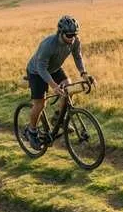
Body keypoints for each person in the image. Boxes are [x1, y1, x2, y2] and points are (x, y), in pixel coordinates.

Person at [24, 15, 92, 147]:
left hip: (54, 68)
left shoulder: (75, 40)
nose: (72, 38)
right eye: (69, 35)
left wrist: (84, 73)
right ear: (60, 33)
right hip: (37, 71)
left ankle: (58, 119)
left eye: (74, 34)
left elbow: (78, 57)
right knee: (40, 104)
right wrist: (54, 86)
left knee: (68, 87)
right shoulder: (48, 44)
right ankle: (31, 131)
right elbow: (41, 68)